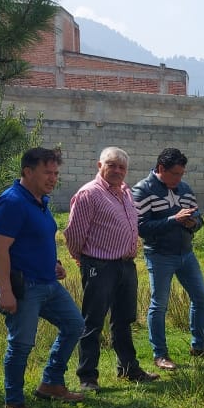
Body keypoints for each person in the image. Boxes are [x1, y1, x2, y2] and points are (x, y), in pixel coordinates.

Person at [0, 147, 85, 408]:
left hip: (47, 283)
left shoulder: (40, 200)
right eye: (47, 172)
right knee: (21, 344)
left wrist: (53, 263)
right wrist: (5, 291)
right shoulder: (12, 202)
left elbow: (36, 238)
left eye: (56, 173)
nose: (53, 178)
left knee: (75, 325)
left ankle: (51, 383)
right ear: (28, 171)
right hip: (24, 287)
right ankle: (14, 404)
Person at [64, 146, 160, 390]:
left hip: (125, 266)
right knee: (93, 321)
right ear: (100, 166)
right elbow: (74, 234)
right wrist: (84, 260)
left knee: (123, 320)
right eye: (112, 165)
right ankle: (87, 377)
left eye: (122, 167)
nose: (117, 170)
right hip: (100, 265)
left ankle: (128, 369)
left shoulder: (125, 192)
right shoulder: (89, 194)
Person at [131, 147, 204, 370]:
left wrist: (193, 223)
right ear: (161, 169)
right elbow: (141, 228)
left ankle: (200, 346)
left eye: (181, 174)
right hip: (159, 255)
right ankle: (160, 355)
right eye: (175, 174)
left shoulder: (184, 188)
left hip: (186, 253)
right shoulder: (142, 190)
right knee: (160, 304)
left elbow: (198, 218)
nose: (179, 179)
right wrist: (174, 220)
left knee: (201, 296)